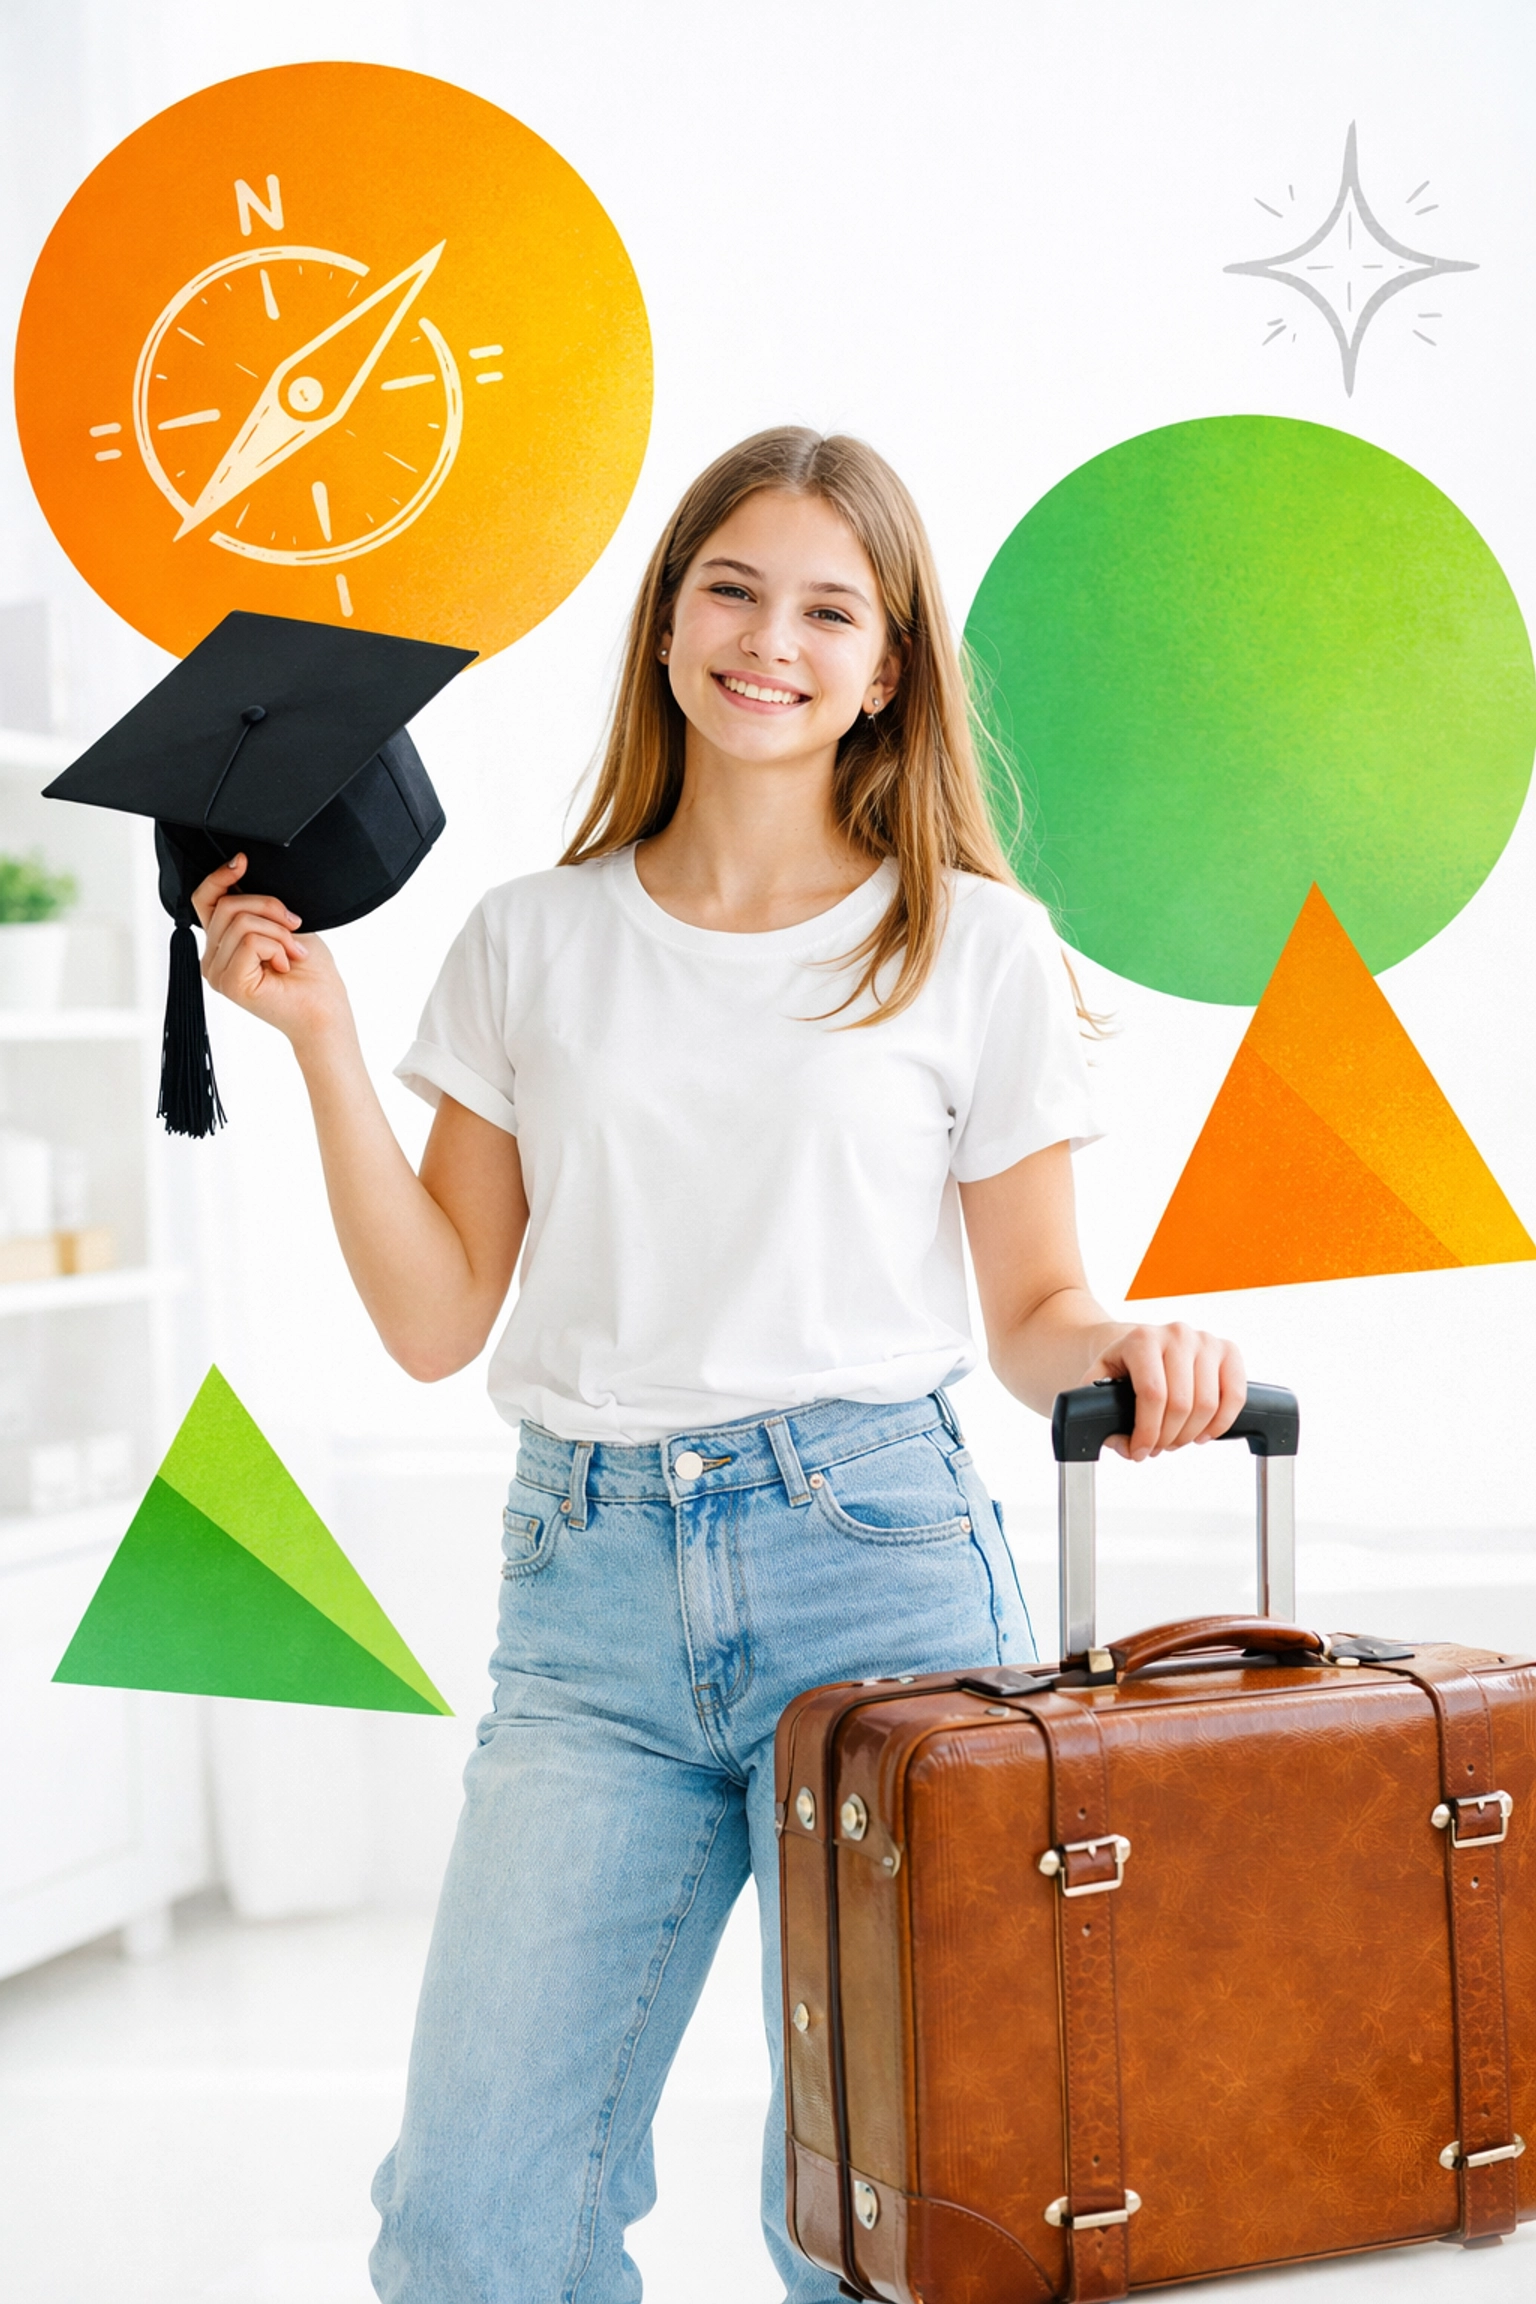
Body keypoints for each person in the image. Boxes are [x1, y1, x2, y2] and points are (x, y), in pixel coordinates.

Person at [193, 427, 1246, 2303]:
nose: (772, 641)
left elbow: (1035, 1314)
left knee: (869, 2229)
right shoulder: (533, 941)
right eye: (732, 590)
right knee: (472, 2230)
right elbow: (439, 1321)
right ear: (670, 621)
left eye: (829, 609)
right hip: (582, 1603)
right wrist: (322, 1046)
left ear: (889, 666)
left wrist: (1135, 1344)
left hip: (884, 1580)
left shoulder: (973, 947)